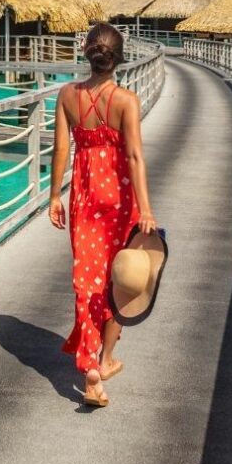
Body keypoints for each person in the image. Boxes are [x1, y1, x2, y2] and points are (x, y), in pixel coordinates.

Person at [49, 22, 157, 407]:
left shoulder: (67, 96)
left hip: (83, 197)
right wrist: (145, 208)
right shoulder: (127, 101)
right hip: (120, 199)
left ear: (88, 53)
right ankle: (102, 359)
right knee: (119, 277)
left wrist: (53, 197)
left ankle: (94, 363)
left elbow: (60, 150)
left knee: (88, 278)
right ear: (118, 58)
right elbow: (134, 157)